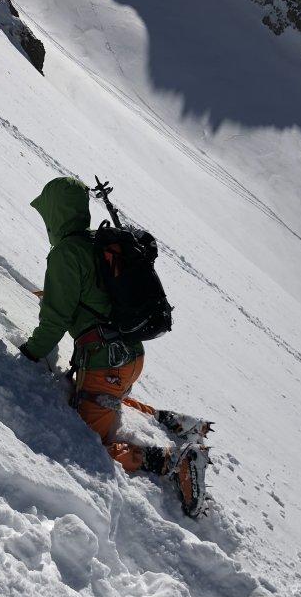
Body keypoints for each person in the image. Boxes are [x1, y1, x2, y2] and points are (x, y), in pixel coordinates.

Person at [19, 176, 210, 517]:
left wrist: (29, 354)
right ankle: (168, 419)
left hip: (105, 362)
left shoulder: (66, 254)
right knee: (104, 396)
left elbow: (54, 322)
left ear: (56, 213)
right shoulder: (96, 243)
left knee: (89, 441)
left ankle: (171, 461)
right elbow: (91, 295)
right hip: (128, 356)